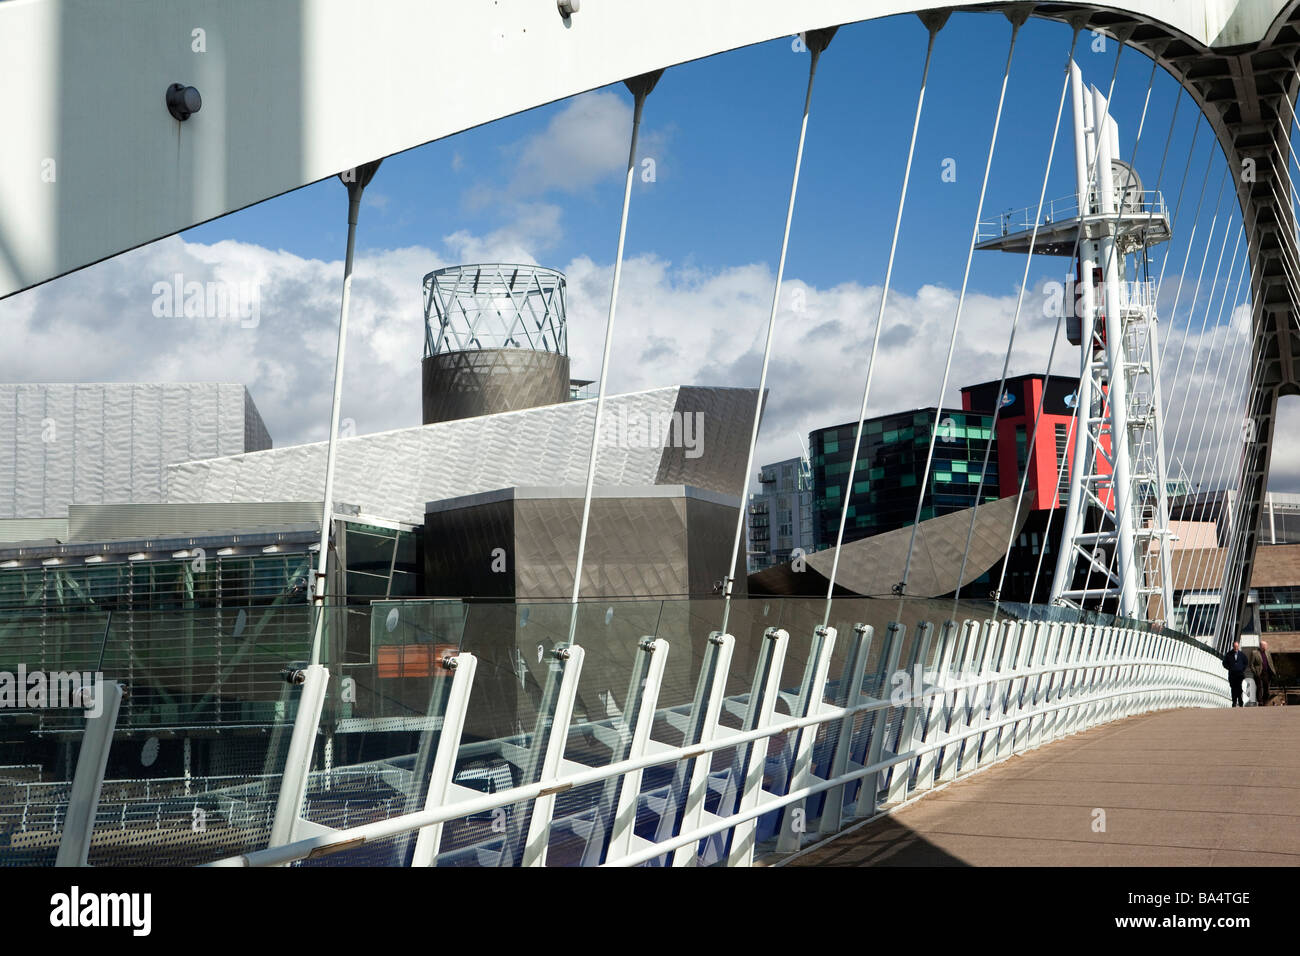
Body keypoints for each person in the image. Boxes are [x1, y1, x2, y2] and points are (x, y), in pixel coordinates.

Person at [1222, 641, 1248, 707]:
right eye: (1235, 646)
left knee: (1239, 688)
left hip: (1240, 674)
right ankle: (1234, 702)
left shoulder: (1242, 655)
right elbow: (1224, 663)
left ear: (1238, 646)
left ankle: (1240, 701)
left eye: (1237, 646)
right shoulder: (1228, 654)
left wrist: (1242, 669)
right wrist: (1229, 668)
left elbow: (1246, 662)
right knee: (1233, 688)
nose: (1236, 648)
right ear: (1233, 646)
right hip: (1232, 674)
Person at [1256, 640, 1274, 705]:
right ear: (1262, 646)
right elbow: (1251, 664)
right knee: (1259, 687)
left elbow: (1271, 663)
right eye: (1265, 645)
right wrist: (1255, 672)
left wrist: (1273, 671)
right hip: (1259, 673)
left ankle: (1265, 700)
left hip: (1267, 673)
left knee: (1266, 688)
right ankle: (1260, 701)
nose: (1266, 647)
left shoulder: (1268, 653)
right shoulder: (1255, 653)